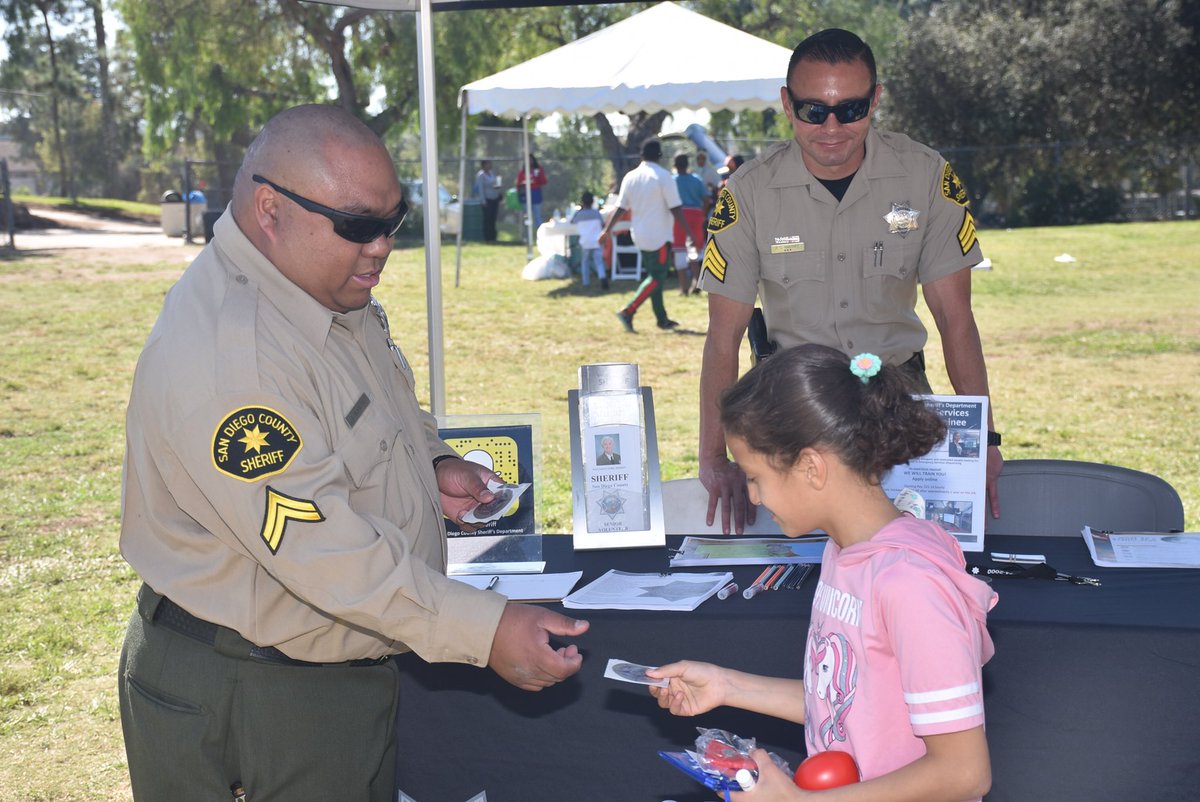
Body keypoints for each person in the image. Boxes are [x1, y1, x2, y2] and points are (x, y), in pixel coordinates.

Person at [116, 104, 588, 802]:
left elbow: (379, 408)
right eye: (359, 225)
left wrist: (432, 465)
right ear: (271, 209)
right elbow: (320, 548)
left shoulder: (315, 286)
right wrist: (484, 630)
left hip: (323, 671)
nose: (381, 247)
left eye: (395, 221)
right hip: (257, 691)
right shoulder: (234, 359)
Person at [648, 344, 996, 802]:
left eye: (754, 476)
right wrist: (726, 685)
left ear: (811, 467)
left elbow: (964, 772)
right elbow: (844, 705)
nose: (753, 497)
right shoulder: (843, 551)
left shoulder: (910, 583)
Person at [697, 28, 1003, 535]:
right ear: (787, 104)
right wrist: (714, 457)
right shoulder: (749, 192)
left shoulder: (925, 176)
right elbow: (722, 337)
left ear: (875, 99)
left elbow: (956, 320)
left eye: (851, 109)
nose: (832, 127)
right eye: (813, 110)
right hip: (793, 408)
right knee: (801, 563)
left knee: (911, 552)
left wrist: (985, 442)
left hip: (896, 400)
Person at [601, 139, 691, 333]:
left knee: (654, 276)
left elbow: (620, 207)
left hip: (639, 235)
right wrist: (689, 231)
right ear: (660, 156)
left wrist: (607, 230)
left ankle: (662, 319)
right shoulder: (664, 176)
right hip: (659, 236)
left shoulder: (630, 177)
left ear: (641, 155)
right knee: (657, 277)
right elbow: (675, 208)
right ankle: (628, 310)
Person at [672, 153, 708, 295]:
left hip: (679, 215)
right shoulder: (696, 180)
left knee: (680, 250)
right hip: (696, 215)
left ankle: (684, 288)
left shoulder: (672, 181)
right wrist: (703, 214)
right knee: (694, 250)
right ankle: (697, 281)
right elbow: (706, 199)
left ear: (675, 165)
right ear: (687, 164)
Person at [571, 191, 608, 290]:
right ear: (592, 201)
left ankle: (586, 282)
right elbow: (603, 224)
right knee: (599, 261)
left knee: (585, 261)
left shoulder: (579, 214)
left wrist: (580, 209)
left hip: (585, 242)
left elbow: (572, 221)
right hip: (597, 241)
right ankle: (602, 277)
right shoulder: (596, 213)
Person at [515, 154, 548, 236]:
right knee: (527, 216)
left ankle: (540, 235)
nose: (529, 162)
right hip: (525, 195)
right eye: (527, 160)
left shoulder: (538, 170)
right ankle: (527, 236)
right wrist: (523, 183)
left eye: (531, 160)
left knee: (537, 216)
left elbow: (544, 181)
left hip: (535, 193)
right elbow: (518, 184)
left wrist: (538, 175)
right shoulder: (522, 172)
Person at [472, 159, 502, 242]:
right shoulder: (481, 175)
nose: (490, 165)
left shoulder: (492, 173)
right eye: (488, 164)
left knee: (493, 218)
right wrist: (483, 201)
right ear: (484, 165)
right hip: (487, 200)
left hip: (494, 199)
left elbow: (496, 184)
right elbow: (480, 188)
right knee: (487, 219)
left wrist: (498, 190)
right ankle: (487, 237)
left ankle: (493, 237)